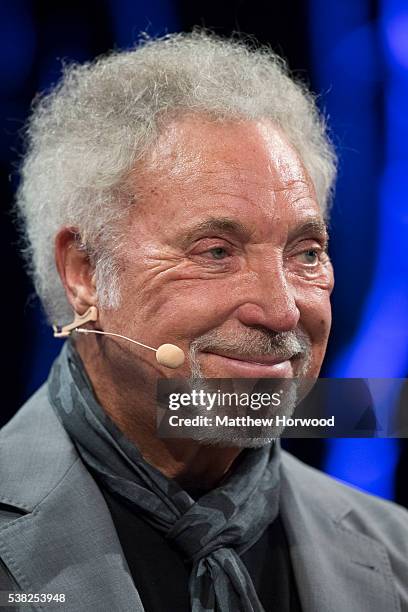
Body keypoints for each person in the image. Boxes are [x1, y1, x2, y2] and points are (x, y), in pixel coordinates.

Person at [0, 32, 407, 612]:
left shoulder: (397, 555)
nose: (282, 309)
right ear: (85, 270)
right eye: (215, 253)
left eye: (307, 253)